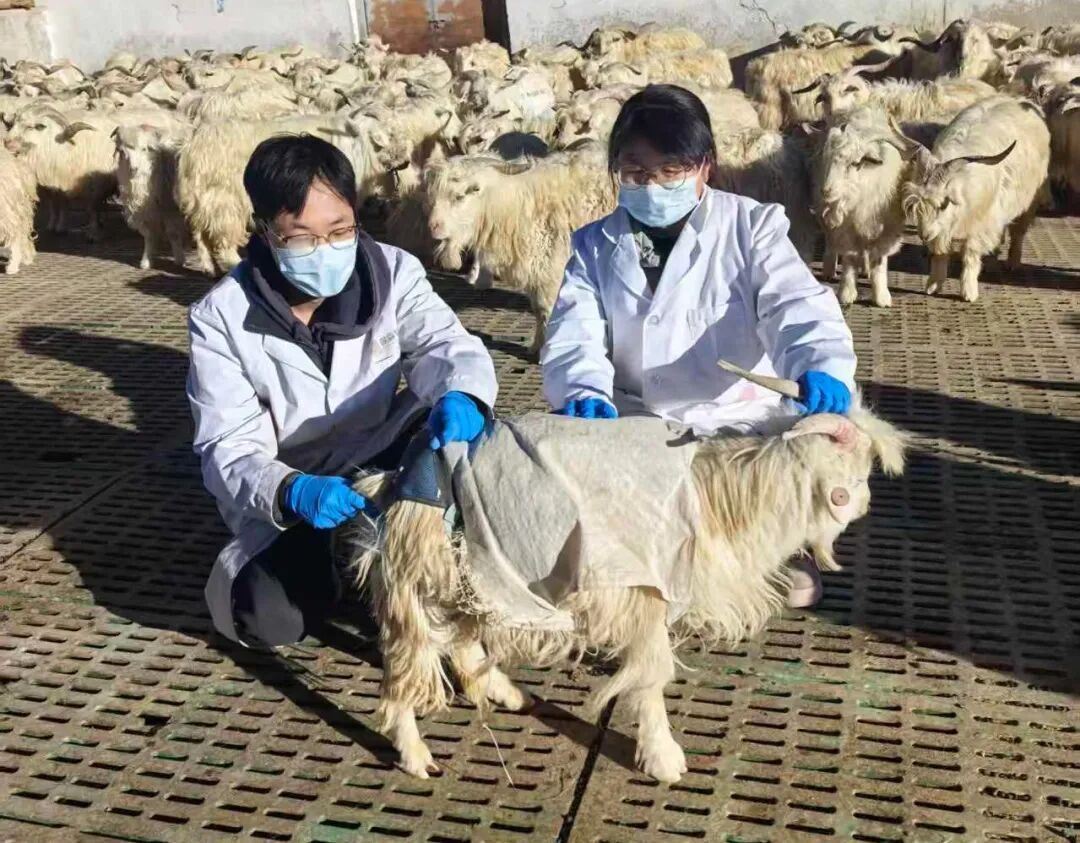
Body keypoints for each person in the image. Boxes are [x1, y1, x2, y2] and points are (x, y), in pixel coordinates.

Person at [540, 85, 857, 607]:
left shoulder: (752, 227)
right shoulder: (595, 243)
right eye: (636, 171)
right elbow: (576, 331)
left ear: (705, 166)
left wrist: (818, 362)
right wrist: (582, 388)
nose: (653, 185)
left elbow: (795, 305)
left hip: (737, 419)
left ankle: (784, 546)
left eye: (671, 171)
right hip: (637, 418)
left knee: (769, 500)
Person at [188, 135, 498, 647]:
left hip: (379, 448)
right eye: (301, 237)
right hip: (296, 481)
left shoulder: (393, 273)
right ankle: (335, 560)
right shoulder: (221, 317)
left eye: (339, 231)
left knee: (464, 438)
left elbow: (444, 344)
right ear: (265, 230)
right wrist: (290, 490)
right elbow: (227, 446)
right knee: (266, 616)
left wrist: (461, 392)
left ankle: (411, 555)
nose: (325, 249)